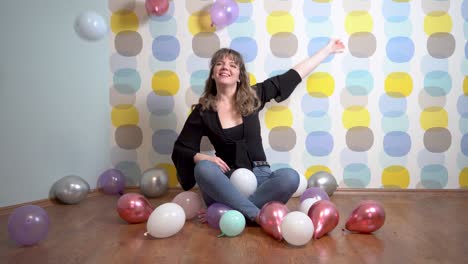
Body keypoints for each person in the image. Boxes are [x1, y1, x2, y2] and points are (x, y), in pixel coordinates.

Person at [171, 39, 345, 224]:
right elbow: (182, 149)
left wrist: (327, 50)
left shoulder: (254, 96)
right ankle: (257, 215)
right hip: (227, 181)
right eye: (219, 64)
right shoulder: (203, 111)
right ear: (213, 74)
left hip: (260, 175)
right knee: (203, 168)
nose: (225, 67)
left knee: (290, 177)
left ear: (239, 76)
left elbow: (292, 76)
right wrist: (203, 157)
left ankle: (232, 212)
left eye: (233, 65)